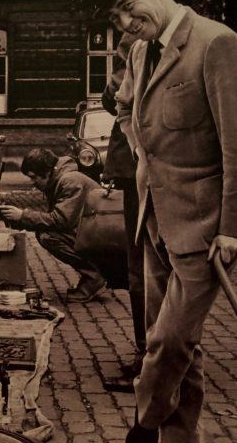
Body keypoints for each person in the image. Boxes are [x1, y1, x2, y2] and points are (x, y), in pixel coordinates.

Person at [77, 0, 237, 442]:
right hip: (153, 219)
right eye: (114, 16)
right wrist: (144, 152)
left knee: (167, 341)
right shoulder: (141, 51)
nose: (123, 22)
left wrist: (236, 229)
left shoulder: (216, 44)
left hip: (205, 229)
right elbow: (123, 105)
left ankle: (142, 428)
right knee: (186, 350)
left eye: (125, 6)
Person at [0, 148, 108, 302]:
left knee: (49, 237)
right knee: (46, 234)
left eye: (34, 177)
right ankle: (95, 274)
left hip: (103, 234)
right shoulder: (62, 179)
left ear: (47, 172)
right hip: (96, 229)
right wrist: (19, 220)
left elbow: (61, 220)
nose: (33, 183)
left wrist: (23, 215)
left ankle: (94, 276)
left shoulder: (70, 181)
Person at [101, 74, 146, 389]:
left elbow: (115, 98)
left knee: (144, 272)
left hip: (146, 175)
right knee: (140, 272)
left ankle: (151, 361)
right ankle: (150, 354)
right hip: (137, 175)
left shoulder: (142, 56)